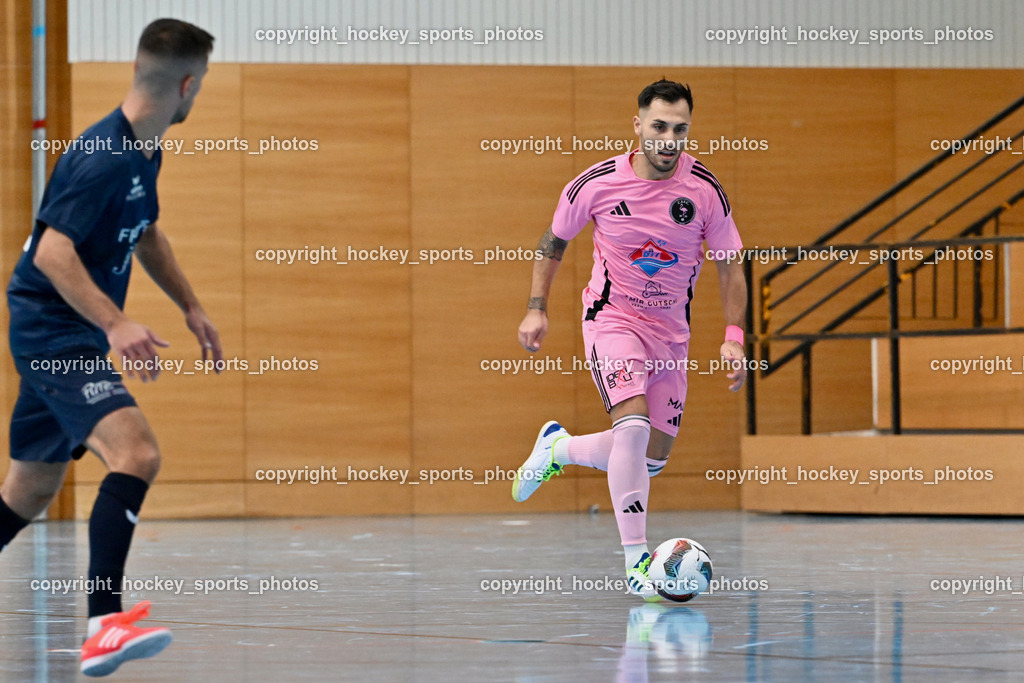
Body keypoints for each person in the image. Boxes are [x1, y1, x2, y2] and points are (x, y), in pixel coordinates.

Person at [0, 18, 220, 676]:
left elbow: (145, 231)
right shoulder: (100, 156)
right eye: (200, 86)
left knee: (28, 489)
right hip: (54, 327)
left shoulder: (144, 148)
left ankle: (103, 622)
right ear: (185, 84)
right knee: (137, 451)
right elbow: (52, 249)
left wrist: (189, 303)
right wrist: (117, 323)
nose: (197, 97)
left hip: (63, 326)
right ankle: (103, 625)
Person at [514, 79, 747, 600]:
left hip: (671, 334)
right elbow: (553, 242)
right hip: (612, 320)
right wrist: (537, 308)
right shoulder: (594, 185)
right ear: (638, 125)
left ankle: (560, 448)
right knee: (634, 424)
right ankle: (636, 560)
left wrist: (733, 337)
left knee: (651, 458)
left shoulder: (704, 190)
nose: (669, 139)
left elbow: (731, 266)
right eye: (659, 126)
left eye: (680, 129)